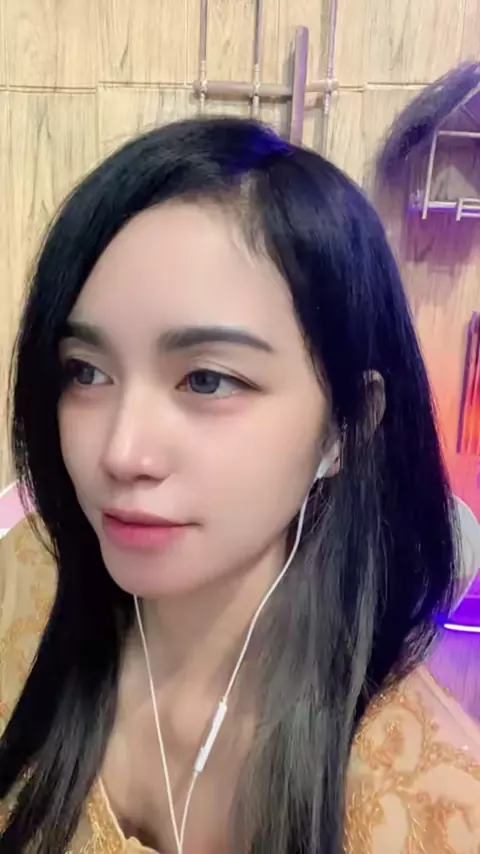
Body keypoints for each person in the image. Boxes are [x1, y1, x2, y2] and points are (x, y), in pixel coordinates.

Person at [0, 116, 479, 854]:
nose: (121, 453)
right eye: (86, 372)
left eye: (207, 380)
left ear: (346, 428)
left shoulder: (431, 801)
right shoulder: (24, 588)